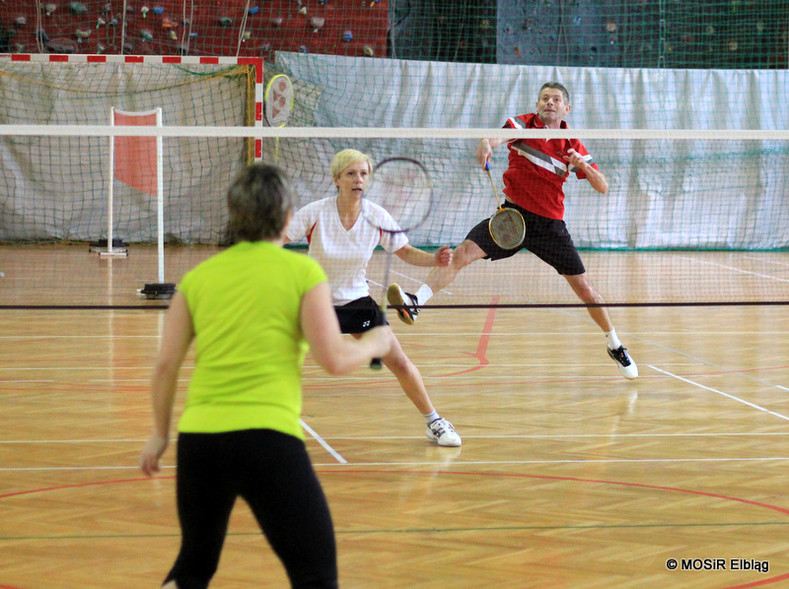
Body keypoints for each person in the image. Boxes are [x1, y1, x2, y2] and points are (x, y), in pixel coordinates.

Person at [138, 163, 392, 589]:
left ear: (235, 214)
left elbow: (165, 366)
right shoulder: (303, 273)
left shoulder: (198, 279)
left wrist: (160, 435)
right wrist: (374, 343)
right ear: (288, 215)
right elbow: (333, 358)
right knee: (315, 574)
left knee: (194, 567)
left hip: (200, 443)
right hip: (268, 442)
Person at [388, 82, 638, 380]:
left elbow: (603, 186)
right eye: (544, 98)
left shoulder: (571, 143)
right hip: (511, 217)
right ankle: (416, 301)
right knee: (463, 252)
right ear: (537, 104)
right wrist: (485, 142)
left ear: (565, 108)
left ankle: (615, 343)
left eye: (556, 99)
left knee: (584, 288)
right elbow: (498, 136)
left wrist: (583, 165)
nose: (549, 102)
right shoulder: (523, 124)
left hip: (550, 226)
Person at [286, 148, 462, 446]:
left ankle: (434, 422)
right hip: (313, 302)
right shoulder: (316, 212)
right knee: (274, 358)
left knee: (400, 363)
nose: (358, 180)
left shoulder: (376, 216)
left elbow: (405, 251)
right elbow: (279, 239)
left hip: (356, 302)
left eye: (364, 174)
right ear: (337, 179)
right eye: (351, 174)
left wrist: (435, 261)